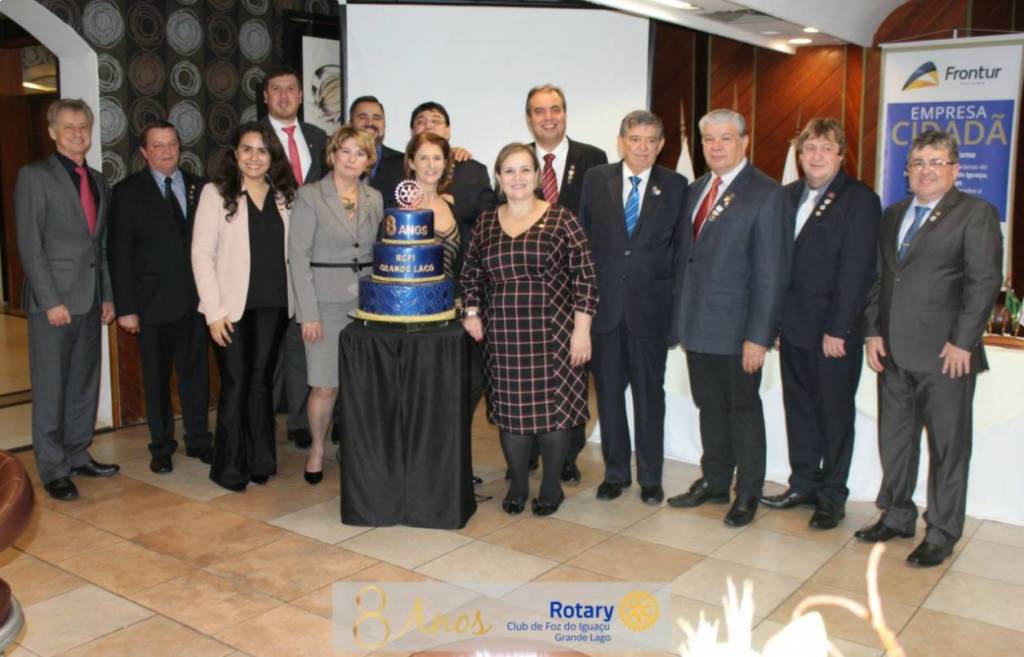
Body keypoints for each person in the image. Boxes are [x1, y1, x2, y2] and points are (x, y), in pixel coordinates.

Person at [857, 130, 1001, 567]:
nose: (926, 171)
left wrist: (963, 341)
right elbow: (880, 278)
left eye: (936, 162)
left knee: (948, 449)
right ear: (906, 170)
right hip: (892, 353)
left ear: (955, 169)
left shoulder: (975, 213)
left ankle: (941, 531)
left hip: (946, 357)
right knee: (895, 441)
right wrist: (873, 331)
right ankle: (897, 515)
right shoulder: (893, 214)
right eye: (918, 162)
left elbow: (983, 282)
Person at [667, 109, 791, 527]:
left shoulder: (767, 193)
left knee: (743, 412)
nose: (716, 147)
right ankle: (715, 481)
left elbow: (772, 272)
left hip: (739, 331)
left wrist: (759, 335)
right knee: (710, 407)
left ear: (744, 142)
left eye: (725, 138)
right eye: (708, 139)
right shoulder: (696, 189)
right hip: (697, 324)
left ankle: (748, 492)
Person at [461, 143, 598, 517]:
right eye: (509, 170)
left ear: (537, 176)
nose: (517, 177)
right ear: (498, 178)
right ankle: (519, 483)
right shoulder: (486, 223)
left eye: (525, 169)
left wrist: (582, 331)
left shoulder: (562, 219)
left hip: (555, 334)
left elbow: (586, 278)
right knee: (511, 415)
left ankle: (551, 486)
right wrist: (471, 311)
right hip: (503, 337)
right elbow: (470, 274)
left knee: (553, 414)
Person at [760, 118, 880, 529]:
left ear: (841, 155)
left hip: (833, 333)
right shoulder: (787, 195)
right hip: (792, 328)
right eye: (809, 148)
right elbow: (777, 263)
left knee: (834, 415)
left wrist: (839, 329)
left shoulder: (859, 199)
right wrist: (774, 322)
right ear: (799, 154)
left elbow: (857, 271)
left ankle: (832, 495)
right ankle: (803, 484)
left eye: (826, 148)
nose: (816, 156)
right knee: (799, 410)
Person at [579, 110, 688, 506]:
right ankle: (616, 473)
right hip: (604, 311)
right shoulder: (596, 179)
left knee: (649, 398)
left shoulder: (676, 185)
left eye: (650, 140)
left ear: (661, 145)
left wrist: (676, 317)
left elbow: (682, 253)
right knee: (608, 396)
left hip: (651, 312)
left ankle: (651, 477)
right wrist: (581, 308)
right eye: (635, 139)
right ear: (621, 141)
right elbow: (583, 243)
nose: (642, 147)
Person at [15, 98, 118, 501]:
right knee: (51, 389)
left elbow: (101, 247)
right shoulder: (34, 176)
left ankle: (77, 453)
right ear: (53, 132)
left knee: (83, 385)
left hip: (90, 300)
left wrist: (107, 295)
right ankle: (53, 468)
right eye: (69, 127)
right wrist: (50, 300)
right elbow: (30, 245)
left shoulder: (98, 180)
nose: (77, 133)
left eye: (83, 127)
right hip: (53, 305)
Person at [192, 121, 297, 492]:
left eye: (262, 150)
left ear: (273, 156)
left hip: (275, 303)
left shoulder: (285, 195)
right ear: (235, 154)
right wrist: (213, 311)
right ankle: (231, 468)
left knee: (261, 382)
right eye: (247, 149)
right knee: (236, 382)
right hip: (229, 308)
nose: (255, 157)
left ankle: (260, 460)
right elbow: (201, 254)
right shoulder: (216, 192)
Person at [108, 120, 213, 474]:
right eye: (158, 145)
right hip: (151, 305)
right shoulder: (127, 192)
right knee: (156, 381)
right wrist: (127, 308)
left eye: (172, 144)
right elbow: (119, 253)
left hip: (196, 303)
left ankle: (199, 440)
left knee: (196, 377)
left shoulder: (202, 187)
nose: (167, 151)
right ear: (144, 151)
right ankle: (162, 446)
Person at [289, 125, 382, 485]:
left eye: (360, 153)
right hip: (324, 305)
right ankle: (317, 447)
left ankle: (357, 449)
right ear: (332, 154)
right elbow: (297, 257)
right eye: (346, 151)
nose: (352, 159)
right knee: (325, 385)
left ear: (368, 161)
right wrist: (308, 314)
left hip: (367, 306)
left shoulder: (374, 198)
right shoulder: (310, 195)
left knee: (362, 385)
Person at [526, 83, 609, 484]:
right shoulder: (519, 159)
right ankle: (526, 450)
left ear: (565, 113)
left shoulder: (593, 159)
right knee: (530, 372)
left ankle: (567, 455)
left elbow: (600, 221)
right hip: (530, 289)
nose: (548, 117)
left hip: (575, 284)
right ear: (529, 118)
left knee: (574, 375)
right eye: (539, 111)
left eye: (555, 109)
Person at [261, 65, 328, 450]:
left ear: (301, 96)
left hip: (312, 257)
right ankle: (263, 422)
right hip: (268, 256)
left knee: (304, 340)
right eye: (276, 89)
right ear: (265, 96)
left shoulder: (318, 138)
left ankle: (301, 422)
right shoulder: (253, 138)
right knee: (269, 346)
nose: (284, 95)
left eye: (291, 89)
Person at [405, 132, 460, 277]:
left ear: (445, 163)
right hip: (409, 291)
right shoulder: (400, 211)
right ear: (411, 163)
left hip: (449, 291)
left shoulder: (452, 206)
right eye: (424, 158)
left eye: (437, 158)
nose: (431, 164)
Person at [349, 95, 404, 196]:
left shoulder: (402, 163)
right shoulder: (337, 162)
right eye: (363, 117)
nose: (370, 122)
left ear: (384, 124)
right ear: (350, 123)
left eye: (377, 118)